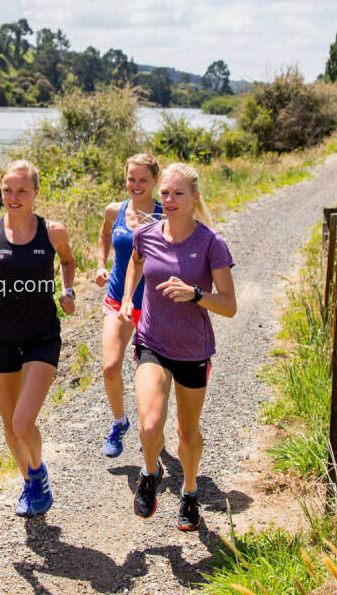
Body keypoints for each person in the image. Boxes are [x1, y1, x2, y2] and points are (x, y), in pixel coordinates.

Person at [118, 162, 236, 531]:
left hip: (193, 351)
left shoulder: (211, 243)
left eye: (177, 193)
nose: (168, 199)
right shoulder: (147, 234)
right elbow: (136, 264)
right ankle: (150, 472)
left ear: (194, 198)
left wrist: (196, 294)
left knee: (188, 433)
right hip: (151, 341)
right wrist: (126, 298)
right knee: (150, 425)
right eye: (165, 192)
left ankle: (188, 492)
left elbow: (230, 306)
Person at [0, 159, 76, 517]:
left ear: (36, 193)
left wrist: (67, 290)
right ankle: (30, 483)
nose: (13, 196)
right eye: (7, 189)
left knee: (24, 422)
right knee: (10, 426)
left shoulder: (52, 231)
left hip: (42, 336)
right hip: (3, 337)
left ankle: (37, 472)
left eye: (22, 190)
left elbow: (68, 262)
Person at [94, 154, 162, 457]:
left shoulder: (164, 214)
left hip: (153, 306)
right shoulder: (115, 210)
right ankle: (120, 422)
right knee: (110, 367)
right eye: (131, 179)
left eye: (143, 180)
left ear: (155, 181)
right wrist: (100, 263)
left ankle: (150, 430)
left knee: (147, 375)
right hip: (116, 299)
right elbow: (105, 233)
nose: (136, 185)